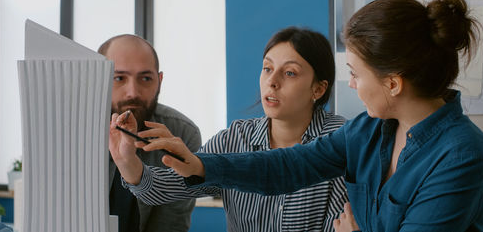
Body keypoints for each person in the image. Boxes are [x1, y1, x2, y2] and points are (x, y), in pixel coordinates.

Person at [125, 0, 483, 232]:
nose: (350, 85)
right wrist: (204, 165)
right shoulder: (368, 131)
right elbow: (288, 166)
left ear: (393, 84)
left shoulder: (461, 154)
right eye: (267, 68)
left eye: (355, 74)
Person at [109, 27, 349, 231]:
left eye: (289, 73)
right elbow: (161, 190)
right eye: (267, 68)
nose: (272, 81)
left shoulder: (341, 141)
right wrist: (127, 160)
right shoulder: (235, 139)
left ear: (318, 89)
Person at [99, 35, 202, 232]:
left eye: (145, 78)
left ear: (159, 81)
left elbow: (171, 225)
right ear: (98, 79)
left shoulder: (181, 134)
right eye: (119, 78)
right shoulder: (70, 131)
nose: (133, 92)